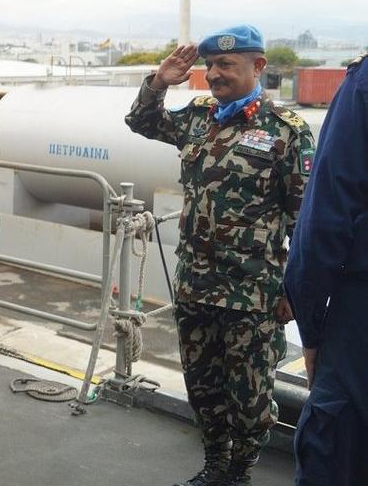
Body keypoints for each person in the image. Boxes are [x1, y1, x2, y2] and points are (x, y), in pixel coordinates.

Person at [124, 25, 312, 486]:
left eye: (225, 64)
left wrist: (292, 291)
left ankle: (239, 471)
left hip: (252, 291)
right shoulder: (199, 116)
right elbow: (142, 121)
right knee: (203, 387)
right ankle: (214, 464)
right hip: (196, 284)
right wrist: (159, 81)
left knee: (249, 398)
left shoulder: (286, 131)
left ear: (258, 66)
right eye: (209, 65)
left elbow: (302, 220)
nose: (213, 74)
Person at [284, 54, 368, 485]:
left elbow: (322, 223)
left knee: (335, 450)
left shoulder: (363, 84)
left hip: (358, 327)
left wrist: (312, 332)